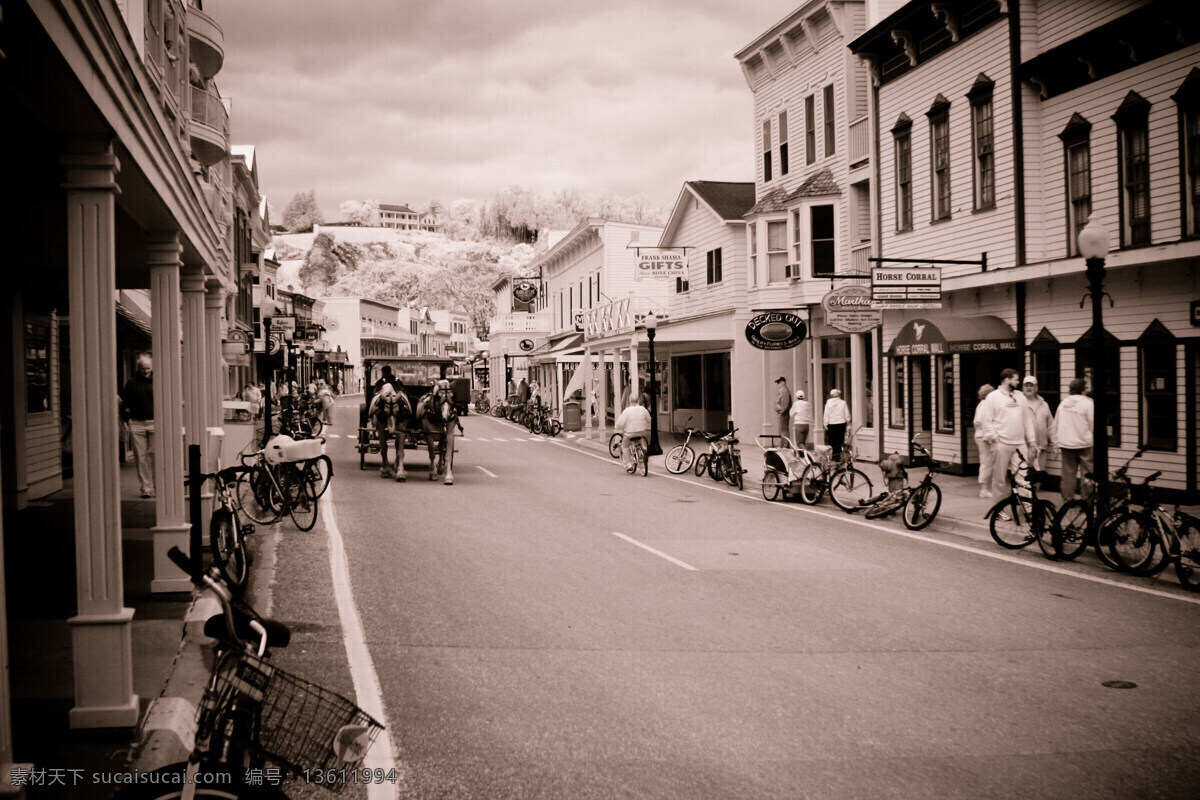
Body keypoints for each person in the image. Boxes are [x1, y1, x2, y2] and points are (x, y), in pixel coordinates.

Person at [977, 368, 1036, 504]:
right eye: (1016, 379)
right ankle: (998, 508)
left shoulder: (1020, 396)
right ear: (1007, 380)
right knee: (999, 479)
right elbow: (986, 420)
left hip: (1020, 443)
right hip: (1001, 443)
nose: (1018, 382)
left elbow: (1027, 420)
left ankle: (1027, 507)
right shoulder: (993, 397)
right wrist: (994, 438)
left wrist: (1031, 440)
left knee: (1022, 476)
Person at [121, 354, 156, 498]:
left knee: (155, 455)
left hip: (155, 422)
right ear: (138, 368)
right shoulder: (131, 383)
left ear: (152, 368)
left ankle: (157, 485)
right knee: (140, 457)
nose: (146, 371)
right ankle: (146, 488)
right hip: (136, 423)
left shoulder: (157, 381)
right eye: (143, 369)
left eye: (148, 368)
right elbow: (125, 404)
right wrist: (127, 419)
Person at [1055, 378, 1095, 502]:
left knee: (1068, 474)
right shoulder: (1088, 403)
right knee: (1087, 473)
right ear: (1083, 390)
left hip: (1066, 443)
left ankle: (1068, 500)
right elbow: (1092, 423)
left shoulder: (1063, 403)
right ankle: (1087, 500)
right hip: (1084, 443)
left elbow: (1056, 422)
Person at [1021, 375, 1056, 470]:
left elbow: (1051, 426)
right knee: (1024, 474)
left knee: (1040, 474)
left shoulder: (1044, 404)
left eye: (1031, 385)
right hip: (1024, 446)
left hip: (1041, 447)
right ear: (1022, 388)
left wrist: (1054, 444)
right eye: (1026, 385)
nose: (1028, 388)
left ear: (1036, 388)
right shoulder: (1019, 404)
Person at [614, 396, 652, 473]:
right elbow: (649, 419)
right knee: (641, 441)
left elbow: (620, 423)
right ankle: (643, 455)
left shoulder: (627, 411)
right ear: (638, 400)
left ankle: (628, 464)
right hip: (641, 432)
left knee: (625, 446)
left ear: (630, 400)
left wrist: (617, 427)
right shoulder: (643, 409)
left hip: (630, 433)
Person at [972, 384, 996, 498]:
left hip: (981, 436)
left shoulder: (981, 405)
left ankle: (986, 487)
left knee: (987, 462)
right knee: (987, 463)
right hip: (984, 437)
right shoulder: (985, 405)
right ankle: (984, 489)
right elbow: (980, 421)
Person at [823, 388, 851, 459]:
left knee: (832, 441)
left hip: (831, 423)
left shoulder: (828, 403)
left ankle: (833, 456)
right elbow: (846, 414)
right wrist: (848, 421)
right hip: (841, 423)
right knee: (839, 440)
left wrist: (825, 424)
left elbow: (826, 414)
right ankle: (838, 455)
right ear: (838, 395)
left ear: (831, 395)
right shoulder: (843, 403)